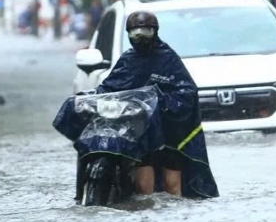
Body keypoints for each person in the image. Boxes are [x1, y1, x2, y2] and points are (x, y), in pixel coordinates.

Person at [87, 11, 217, 198]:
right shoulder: (128, 60)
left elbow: (187, 92)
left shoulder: (168, 59)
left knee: (172, 185)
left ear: (155, 31)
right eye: (135, 34)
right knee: (143, 186)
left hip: (170, 133)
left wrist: (161, 101)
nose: (140, 38)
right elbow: (110, 87)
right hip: (142, 132)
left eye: (145, 33)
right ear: (128, 34)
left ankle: (177, 212)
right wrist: (90, 96)